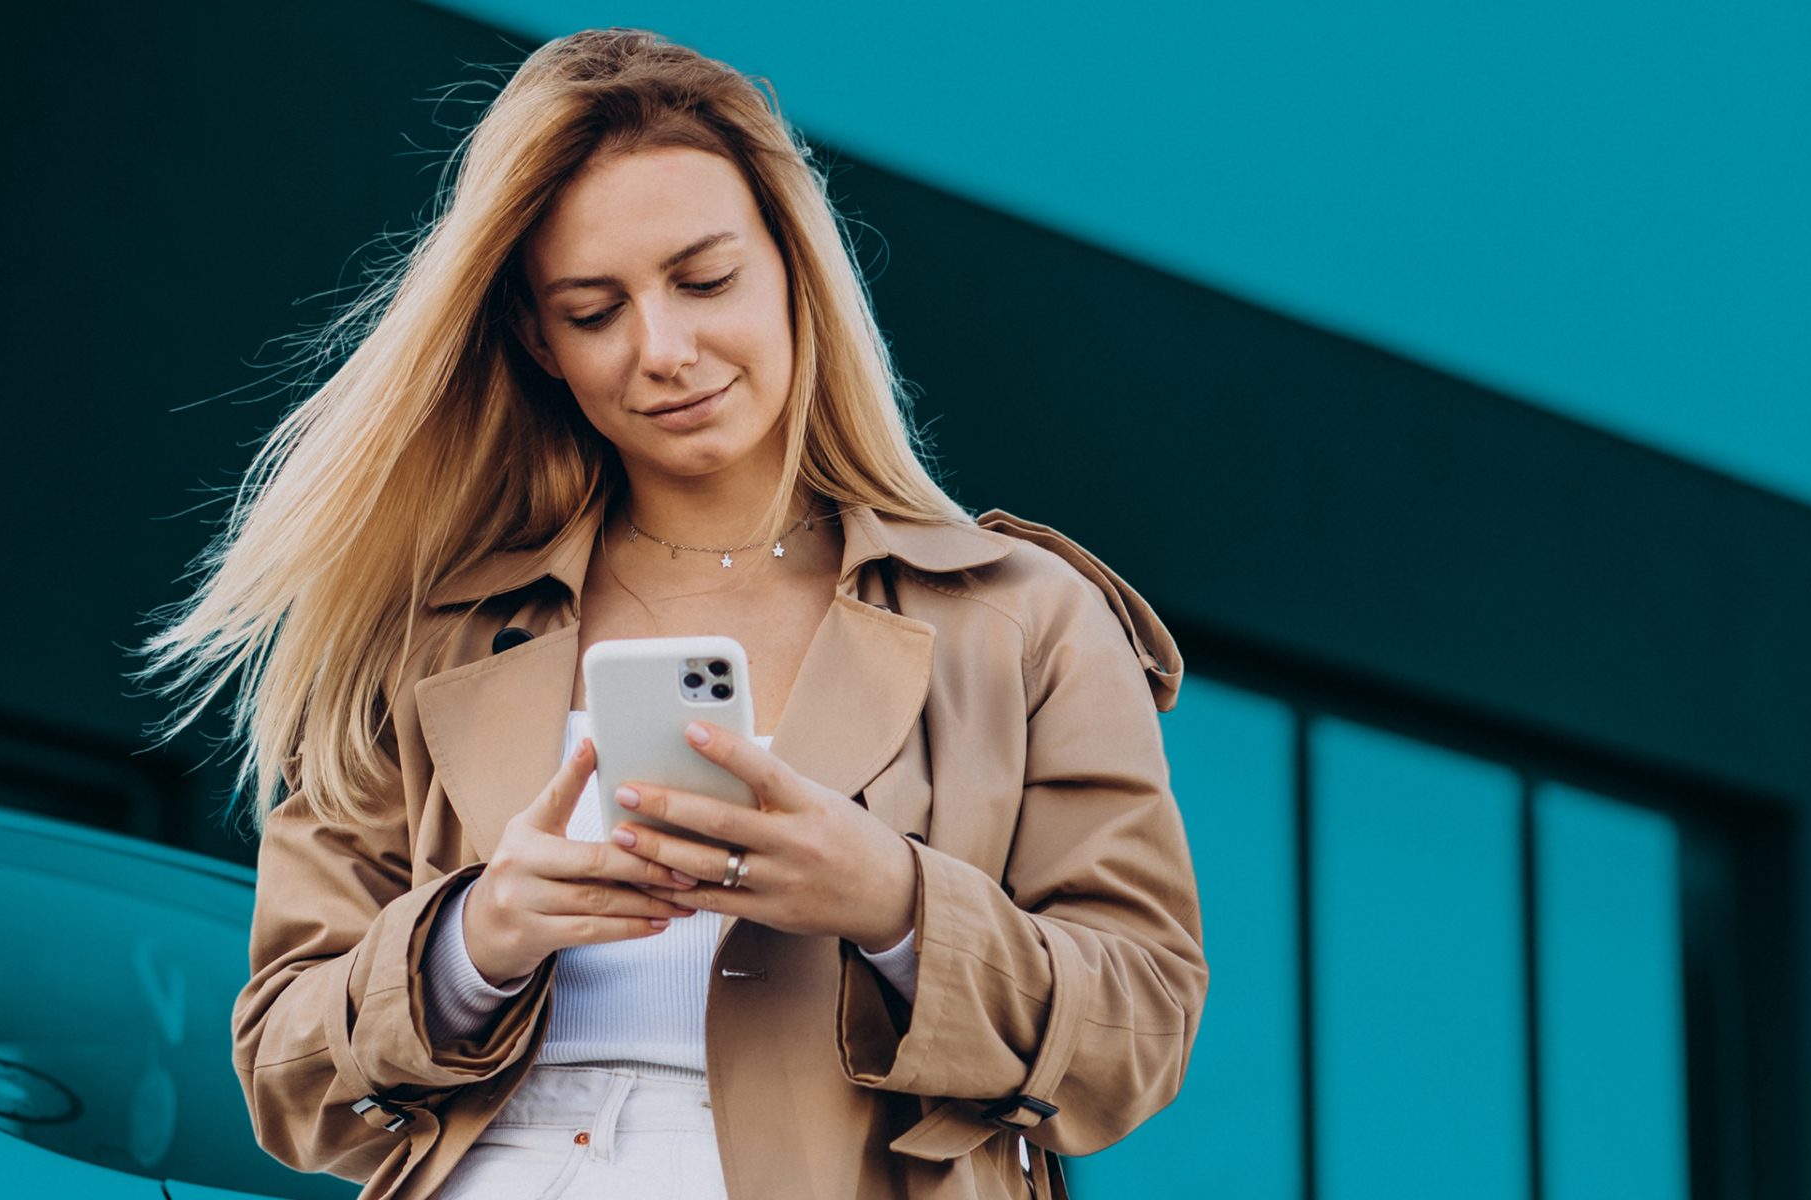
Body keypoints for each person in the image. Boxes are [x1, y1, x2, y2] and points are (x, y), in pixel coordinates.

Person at [135, 26, 1203, 1200]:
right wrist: (477, 940)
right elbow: (287, 1074)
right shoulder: (420, 636)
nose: (665, 350)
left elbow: (1136, 1036)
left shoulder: (1026, 619)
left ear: (794, 265)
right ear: (539, 342)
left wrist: (893, 902)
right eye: (595, 311)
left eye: (705, 280)